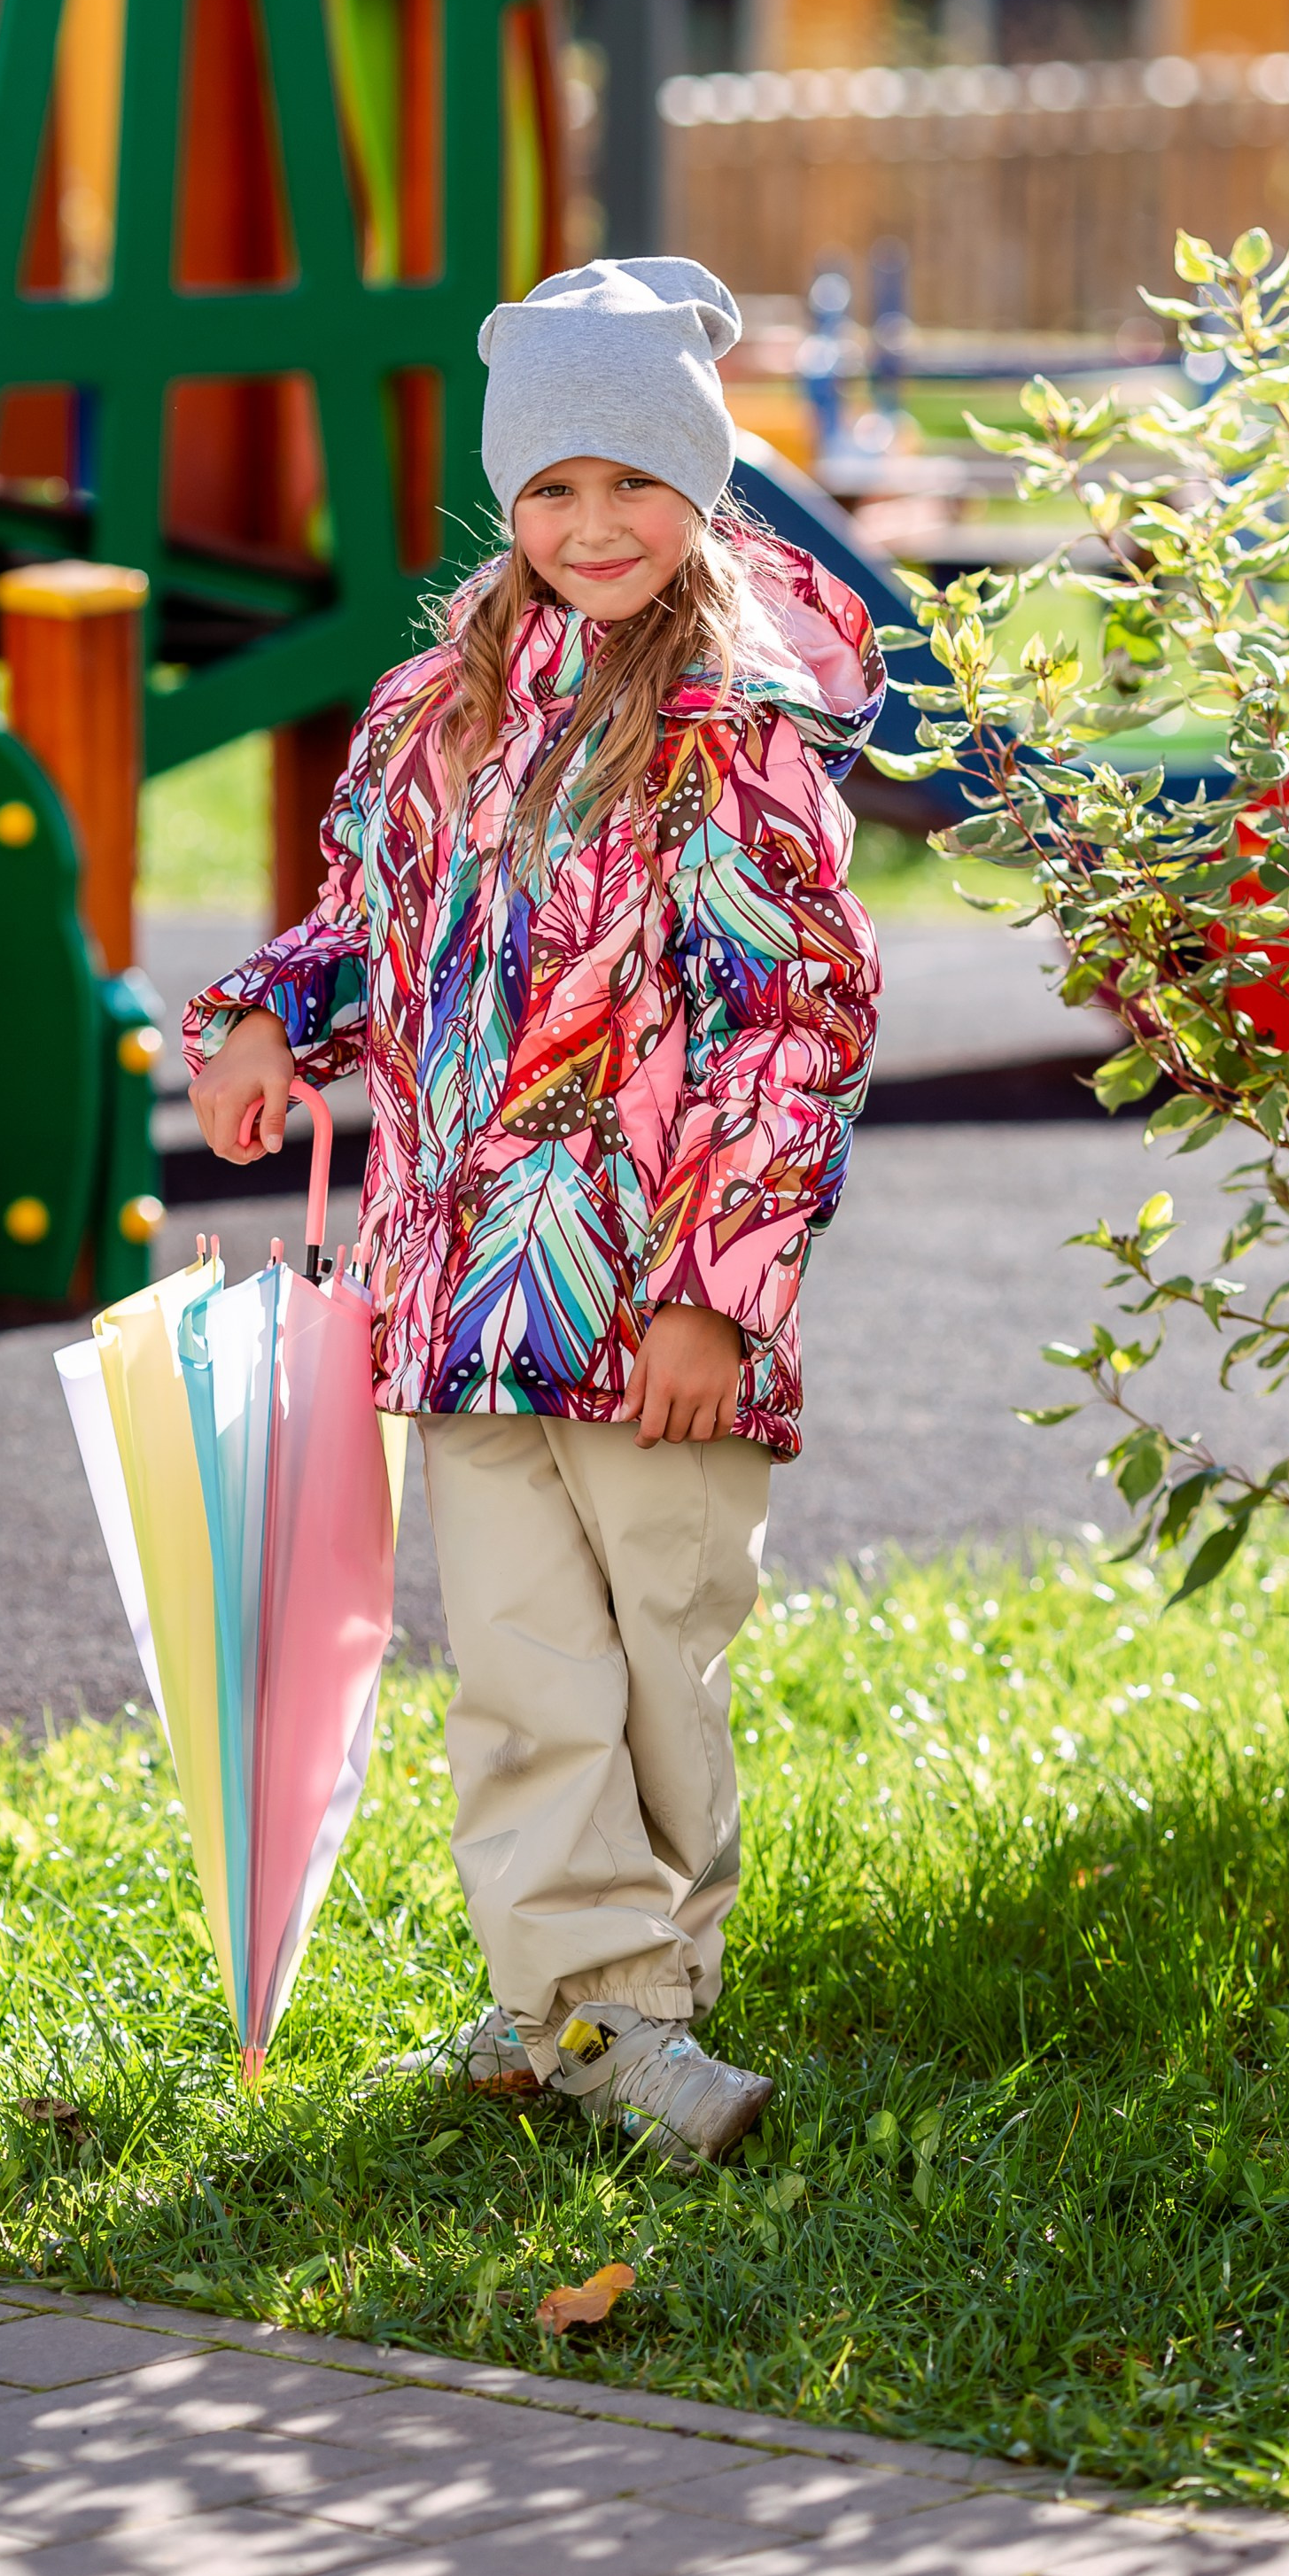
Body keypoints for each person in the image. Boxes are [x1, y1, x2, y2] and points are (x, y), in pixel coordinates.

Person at [184, 255, 882, 2169]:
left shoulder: (736, 739)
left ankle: (640, 1991)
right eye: (553, 489)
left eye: (633, 484)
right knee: (519, 1664)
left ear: (702, 486)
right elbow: (360, 924)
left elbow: (793, 1029)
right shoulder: (436, 712)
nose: (591, 527)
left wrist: (712, 1297)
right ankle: (587, 2005)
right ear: (508, 495)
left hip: (659, 1304)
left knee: (663, 1653)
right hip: (465, 1288)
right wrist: (264, 1018)